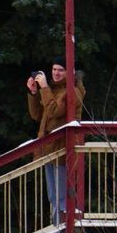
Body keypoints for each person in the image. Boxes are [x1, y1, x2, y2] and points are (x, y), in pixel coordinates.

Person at [25, 62, 86, 223]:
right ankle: (58, 231)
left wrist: (44, 87)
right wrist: (34, 93)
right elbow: (38, 115)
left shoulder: (72, 91)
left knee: (61, 195)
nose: (56, 73)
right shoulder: (54, 89)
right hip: (49, 149)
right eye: (54, 69)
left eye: (61, 70)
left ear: (69, 72)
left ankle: (63, 232)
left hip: (62, 149)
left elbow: (53, 111)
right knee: (54, 195)